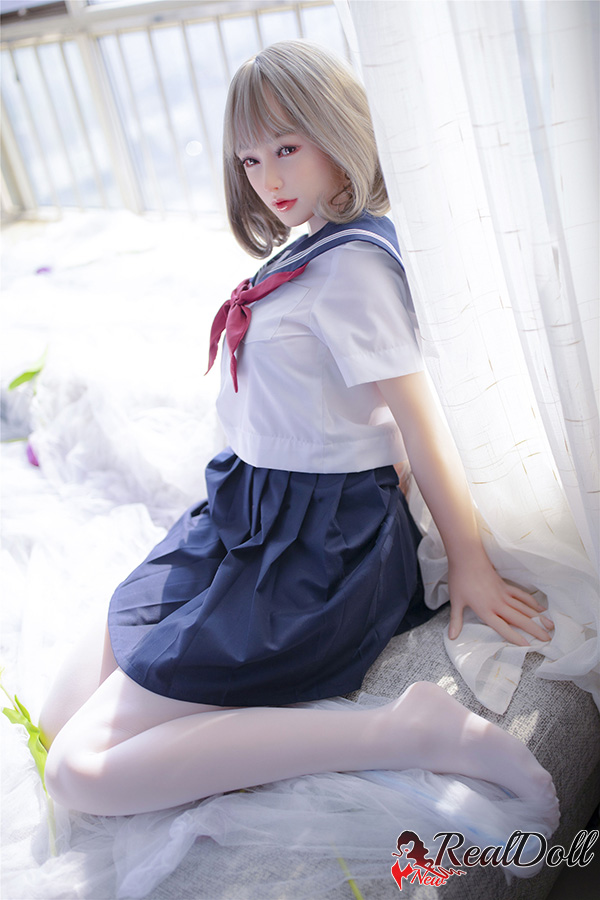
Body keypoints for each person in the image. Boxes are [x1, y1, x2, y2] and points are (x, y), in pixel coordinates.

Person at [40, 40, 558, 820]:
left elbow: (419, 425)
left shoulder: (354, 270)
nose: (269, 179)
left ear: (337, 133)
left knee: (78, 772)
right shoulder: (314, 248)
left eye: (287, 148)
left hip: (312, 554)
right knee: (57, 720)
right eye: (251, 160)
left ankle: (404, 731)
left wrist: (468, 561)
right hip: (245, 518)